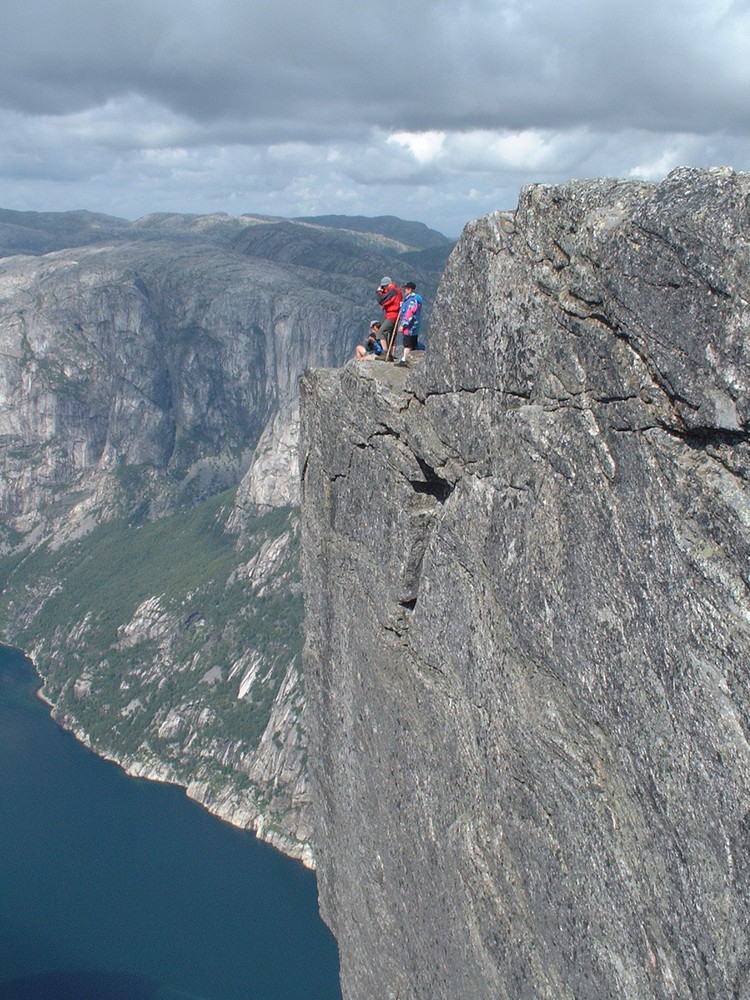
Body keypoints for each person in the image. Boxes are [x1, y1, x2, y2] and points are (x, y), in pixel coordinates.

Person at [394, 282, 423, 365]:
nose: (404, 290)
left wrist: (403, 325)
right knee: (413, 343)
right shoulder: (415, 300)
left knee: (407, 343)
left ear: (410, 290)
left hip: (410, 327)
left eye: (406, 289)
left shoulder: (412, 300)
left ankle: (404, 359)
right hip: (415, 326)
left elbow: (409, 313)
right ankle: (414, 360)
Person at [376, 277, 403, 360]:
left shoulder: (393, 292)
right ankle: (391, 354)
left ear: (385, 285)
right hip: (396, 315)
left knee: (380, 333)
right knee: (392, 335)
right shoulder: (396, 290)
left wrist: (379, 292)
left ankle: (385, 352)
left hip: (392, 315)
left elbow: (382, 300)